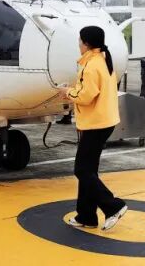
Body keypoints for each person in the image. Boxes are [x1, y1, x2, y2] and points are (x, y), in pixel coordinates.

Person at [58, 26, 128, 231]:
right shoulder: (103, 60)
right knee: (88, 171)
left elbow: (86, 96)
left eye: (80, 41)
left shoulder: (90, 65)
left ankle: (113, 206)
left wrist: (67, 92)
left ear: (86, 43)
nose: (78, 44)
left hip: (95, 123)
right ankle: (86, 215)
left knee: (81, 170)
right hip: (104, 121)